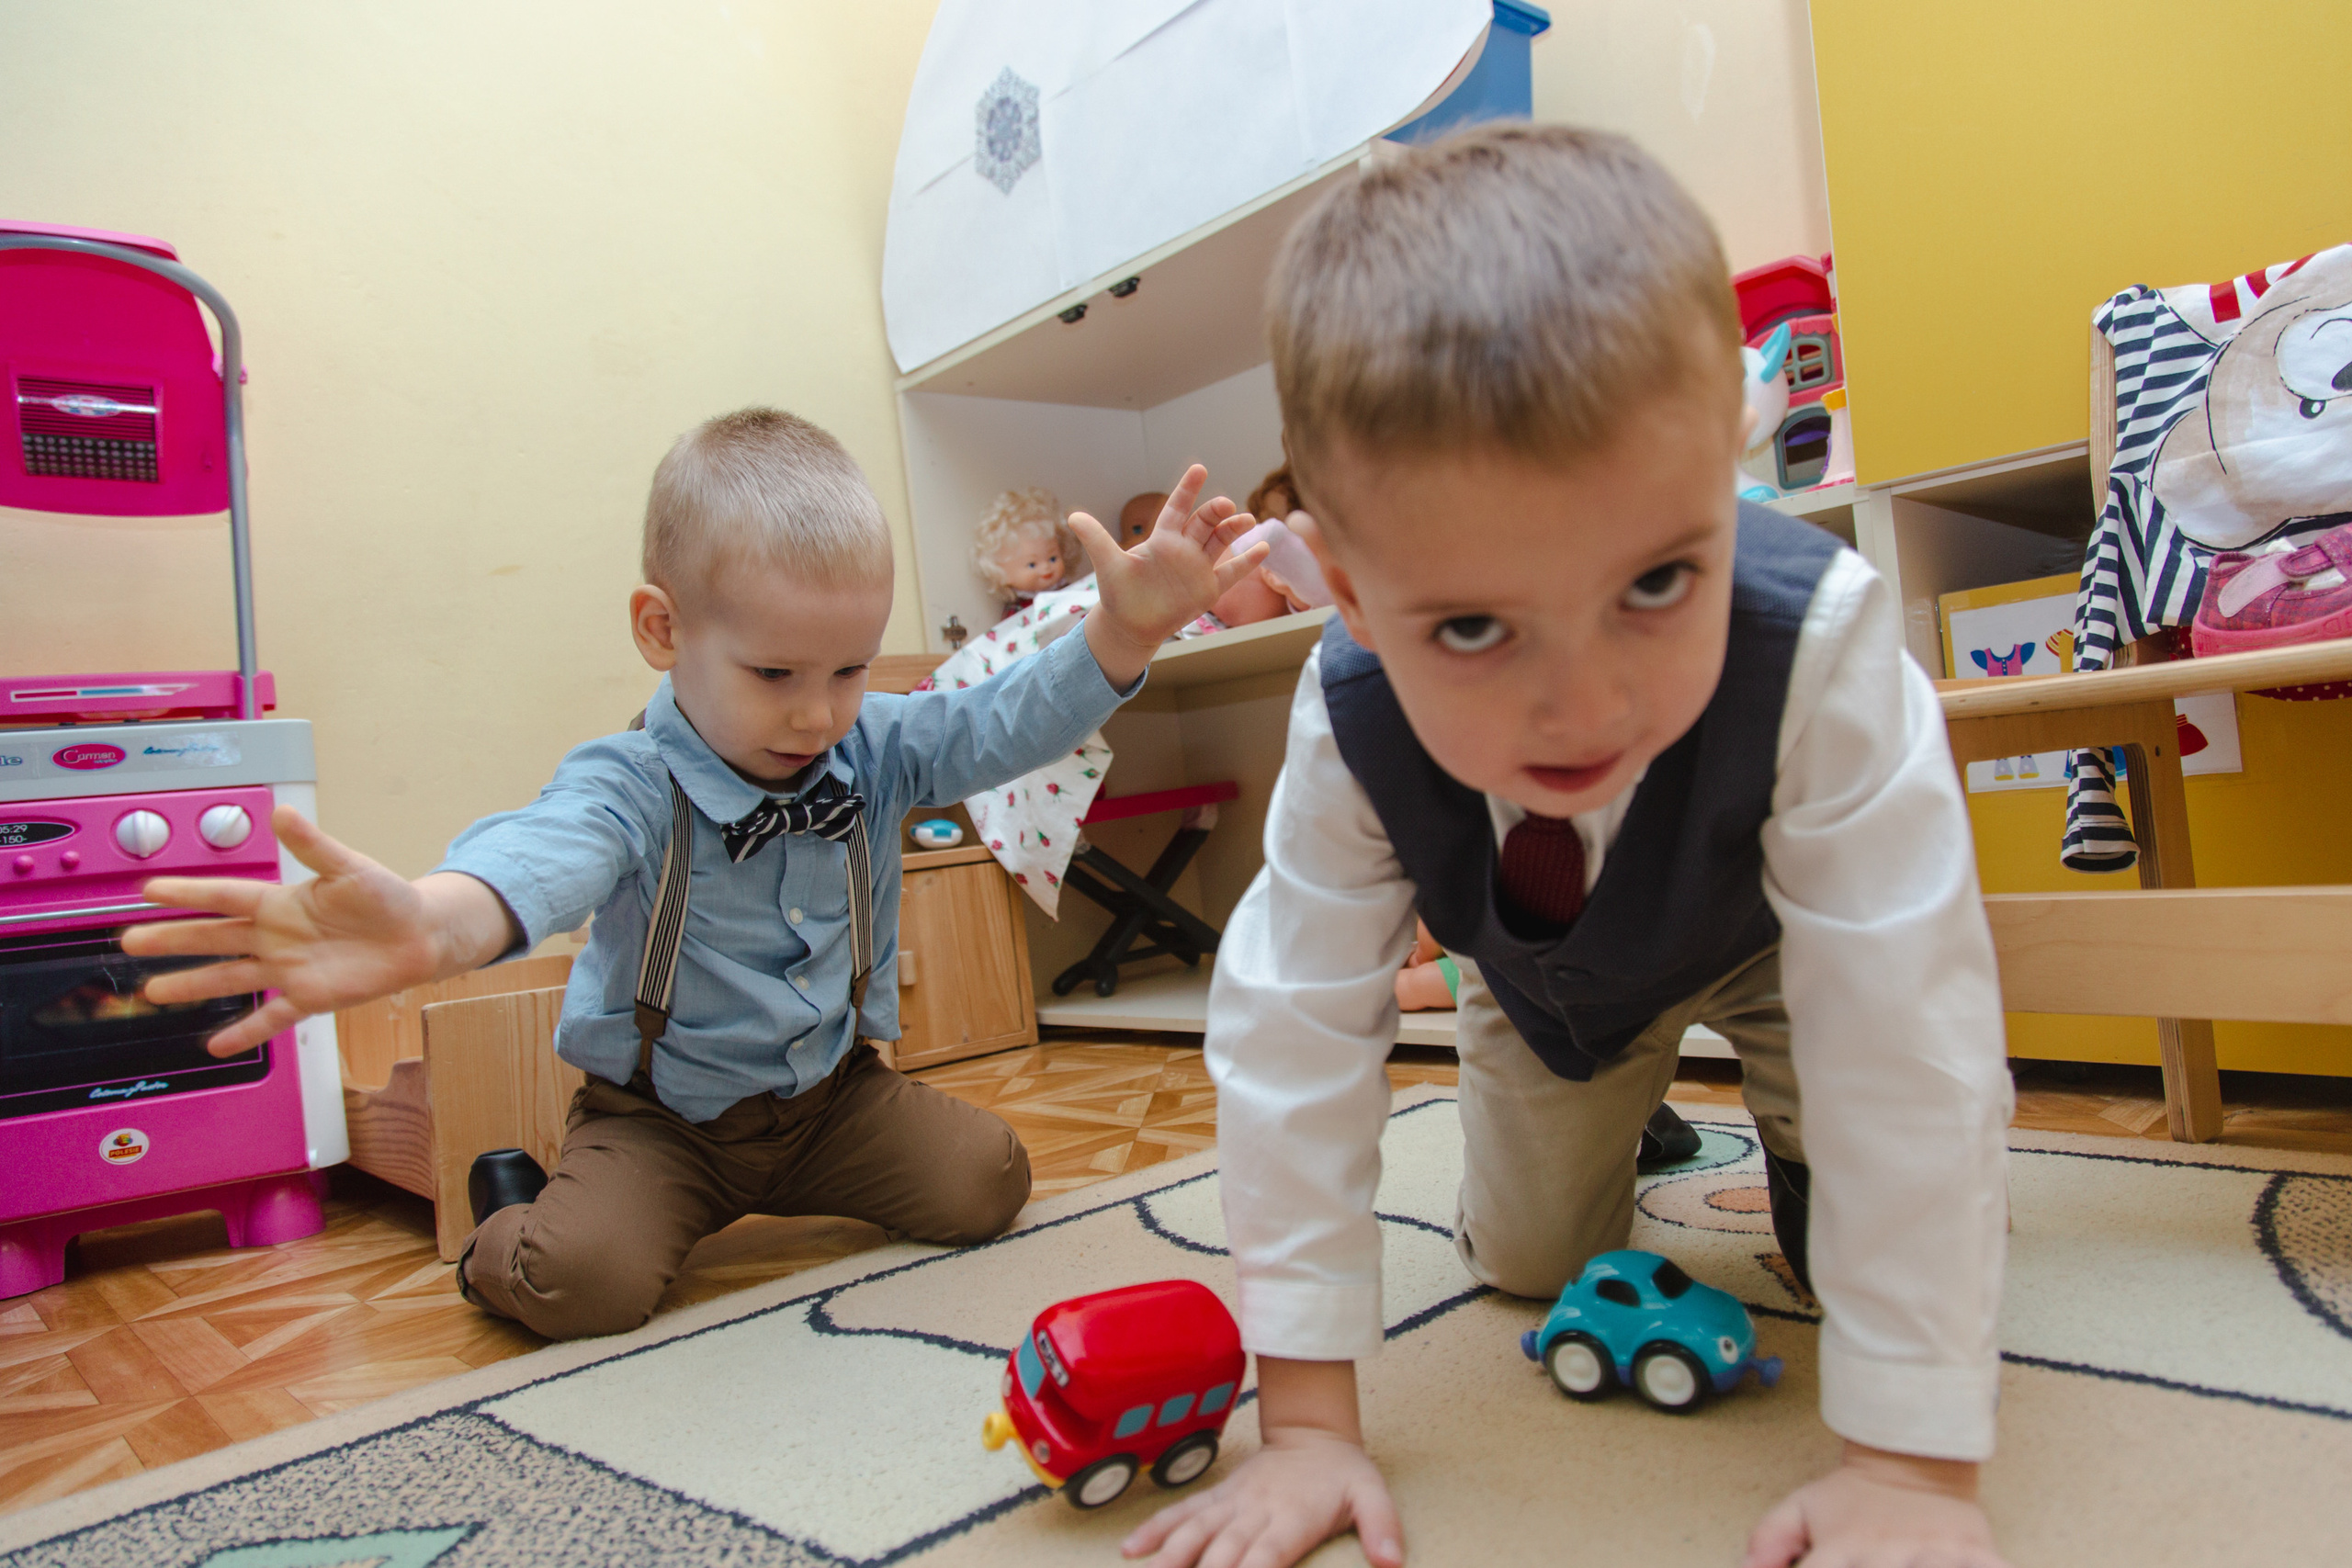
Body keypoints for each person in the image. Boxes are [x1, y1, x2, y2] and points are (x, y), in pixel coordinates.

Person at [1124, 127, 2014, 1568]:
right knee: (1532, 1266)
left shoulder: (1830, 639)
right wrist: (1307, 1424)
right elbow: (1291, 1033)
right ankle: (1636, 1104)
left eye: (1660, 579)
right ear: (1347, 593)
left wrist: (1912, 1465)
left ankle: (1790, 1160)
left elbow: (1910, 1031)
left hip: (1779, 945)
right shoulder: (1347, 713)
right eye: (1472, 626)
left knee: (1893, 1231)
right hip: (1550, 981)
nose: (1586, 702)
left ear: (1728, 468)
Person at [125, 411, 1264, 1342]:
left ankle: (801, 1177)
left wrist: (1119, 633)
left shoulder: (869, 748)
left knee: (989, 1183)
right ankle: (505, 1215)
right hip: (661, 1124)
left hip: (833, 1102)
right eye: (773, 672)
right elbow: (547, 847)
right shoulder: (631, 779)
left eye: (851, 669)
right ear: (662, 629)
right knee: (582, 1286)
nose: (817, 713)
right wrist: (438, 920)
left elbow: (999, 722)